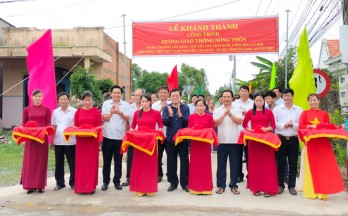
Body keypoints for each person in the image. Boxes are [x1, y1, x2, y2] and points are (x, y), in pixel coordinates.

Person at [299, 93, 344, 200]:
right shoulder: (304, 113)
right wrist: (310, 127)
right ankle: (311, 191)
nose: (312, 102)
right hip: (311, 144)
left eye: (314, 100)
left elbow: (328, 127)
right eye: (310, 100)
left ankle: (322, 192)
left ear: (319, 101)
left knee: (323, 168)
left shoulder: (324, 114)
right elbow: (301, 127)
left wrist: (317, 126)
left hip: (323, 144)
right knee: (311, 168)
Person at [242, 92, 277, 197]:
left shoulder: (269, 112)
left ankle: (268, 188)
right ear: (254, 101)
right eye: (256, 101)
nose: (258, 103)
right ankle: (256, 188)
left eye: (260, 100)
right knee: (255, 164)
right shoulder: (250, 112)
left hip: (266, 141)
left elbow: (273, 126)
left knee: (267, 165)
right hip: (254, 141)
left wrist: (267, 129)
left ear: (264, 101)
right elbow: (244, 124)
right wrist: (251, 130)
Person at [129, 93, 163, 196]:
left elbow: (160, 126)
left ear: (150, 102)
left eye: (146, 101)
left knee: (150, 166)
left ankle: (149, 188)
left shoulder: (156, 113)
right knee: (139, 165)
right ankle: (139, 188)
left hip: (151, 143)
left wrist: (157, 132)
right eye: (142, 101)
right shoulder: (136, 113)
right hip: (139, 143)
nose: (144, 103)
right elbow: (133, 126)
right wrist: (131, 134)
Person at [273, 88, 303, 196]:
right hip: (280, 139)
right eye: (284, 96)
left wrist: (293, 125)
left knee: (293, 164)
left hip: (294, 139)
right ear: (282, 97)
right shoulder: (277, 109)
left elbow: (302, 125)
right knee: (280, 163)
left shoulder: (299, 110)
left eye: (288, 96)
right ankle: (280, 185)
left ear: (293, 96)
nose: (286, 98)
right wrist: (283, 125)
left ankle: (291, 186)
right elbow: (273, 123)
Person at [21, 89, 51, 194]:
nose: (38, 98)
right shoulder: (27, 109)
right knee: (30, 161)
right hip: (31, 139)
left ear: (42, 98)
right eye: (36, 96)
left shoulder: (46, 109)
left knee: (41, 161)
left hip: (42, 139)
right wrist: (29, 129)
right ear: (32, 97)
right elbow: (24, 123)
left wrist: (44, 130)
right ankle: (29, 185)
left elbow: (48, 123)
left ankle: (40, 185)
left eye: (39, 96)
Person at [213, 90, 243, 195]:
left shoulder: (237, 108)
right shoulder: (217, 110)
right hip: (221, 141)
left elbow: (239, 121)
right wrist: (223, 115)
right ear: (221, 98)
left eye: (228, 97)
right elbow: (215, 123)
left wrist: (229, 113)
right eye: (224, 97)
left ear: (232, 98)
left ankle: (233, 185)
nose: (226, 99)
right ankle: (221, 186)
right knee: (221, 165)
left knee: (234, 165)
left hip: (234, 141)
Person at [101, 85, 130, 191]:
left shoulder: (126, 105)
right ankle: (105, 182)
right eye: (114, 93)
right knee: (107, 161)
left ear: (121, 95)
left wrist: (119, 113)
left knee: (118, 161)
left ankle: (117, 181)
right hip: (107, 136)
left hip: (120, 137)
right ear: (111, 93)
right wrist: (111, 113)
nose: (116, 94)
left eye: (118, 93)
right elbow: (104, 118)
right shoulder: (106, 104)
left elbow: (127, 118)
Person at [74, 91, 102, 194]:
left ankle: (91, 187)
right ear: (82, 101)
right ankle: (81, 187)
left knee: (91, 164)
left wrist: (96, 136)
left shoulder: (96, 112)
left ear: (92, 100)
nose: (87, 102)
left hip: (92, 142)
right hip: (81, 141)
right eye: (85, 100)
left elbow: (99, 127)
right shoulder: (78, 112)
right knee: (81, 164)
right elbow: (76, 126)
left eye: (89, 100)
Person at [162, 88, 190, 192]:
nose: (175, 97)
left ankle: (184, 183)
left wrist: (180, 116)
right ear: (170, 97)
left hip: (182, 139)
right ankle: (173, 183)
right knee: (171, 162)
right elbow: (164, 122)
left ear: (180, 97)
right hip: (170, 139)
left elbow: (187, 122)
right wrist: (170, 116)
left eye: (177, 96)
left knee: (184, 162)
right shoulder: (167, 108)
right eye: (173, 96)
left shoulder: (185, 108)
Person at [187, 99, 215, 195]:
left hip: (205, 145)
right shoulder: (191, 117)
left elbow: (212, 130)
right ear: (195, 107)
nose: (199, 108)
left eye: (201, 106)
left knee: (205, 166)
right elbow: (190, 130)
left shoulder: (209, 117)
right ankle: (195, 188)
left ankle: (206, 188)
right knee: (195, 166)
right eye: (197, 106)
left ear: (205, 107)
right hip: (195, 145)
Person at [51, 92, 77, 191]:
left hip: (71, 142)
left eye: (65, 99)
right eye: (61, 99)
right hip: (58, 141)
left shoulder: (74, 111)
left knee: (72, 163)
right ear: (58, 101)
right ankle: (60, 183)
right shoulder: (55, 112)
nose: (63, 101)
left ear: (68, 100)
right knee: (58, 163)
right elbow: (54, 126)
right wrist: (52, 141)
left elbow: (77, 126)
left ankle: (73, 183)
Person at [122, 88, 143, 187]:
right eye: (135, 95)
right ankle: (129, 178)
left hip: (144, 137)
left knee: (141, 158)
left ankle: (140, 177)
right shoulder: (129, 108)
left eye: (139, 95)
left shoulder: (147, 107)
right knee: (130, 157)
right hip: (132, 135)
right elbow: (127, 121)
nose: (137, 97)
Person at [233, 85, 254, 183]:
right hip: (237, 133)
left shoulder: (253, 104)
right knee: (237, 156)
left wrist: (248, 115)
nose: (244, 93)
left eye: (246, 91)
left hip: (250, 133)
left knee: (250, 155)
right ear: (239, 92)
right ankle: (238, 175)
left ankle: (251, 175)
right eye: (242, 91)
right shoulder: (234, 104)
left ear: (248, 93)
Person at [151, 86, 170, 183]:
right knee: (158, 156)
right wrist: (162, 108)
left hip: (169, 134)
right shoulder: (154, 105)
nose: (162, 94)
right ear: (158, 93)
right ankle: (159, 174)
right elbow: (152, 117)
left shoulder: (171, 104)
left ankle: (170, 174)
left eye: (164, 92)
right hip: (158, 135)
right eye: (161, 92)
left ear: (168, 93)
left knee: (171, 156)